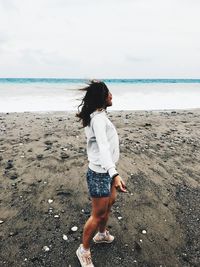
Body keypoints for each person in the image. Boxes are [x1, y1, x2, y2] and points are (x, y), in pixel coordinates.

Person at [76, 80, 126, 267]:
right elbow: (104, 148)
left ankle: (102, 235)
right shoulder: (97, 119)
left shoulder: (99, 116)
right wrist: (114, 174)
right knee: (97, 214)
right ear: (102, 98)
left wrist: (112, 172)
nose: (111, 95)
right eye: (108, 93)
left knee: (109, 204)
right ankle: (84, 250)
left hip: (106, 171)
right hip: (100, 173)